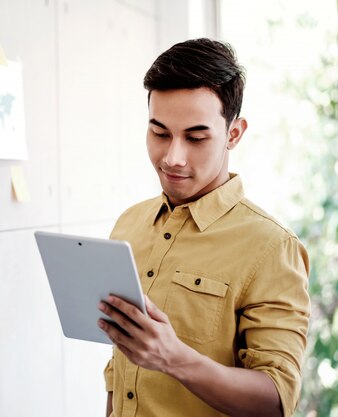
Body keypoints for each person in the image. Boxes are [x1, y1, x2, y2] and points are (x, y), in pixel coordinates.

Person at [97, 38, 310, 417]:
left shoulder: (272, 246)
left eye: (195, 138)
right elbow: (119, 369)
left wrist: (174, 358)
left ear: (233, 134)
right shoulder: (129, 223)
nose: (172, 158)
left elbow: (276, 399)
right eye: (159, 133)